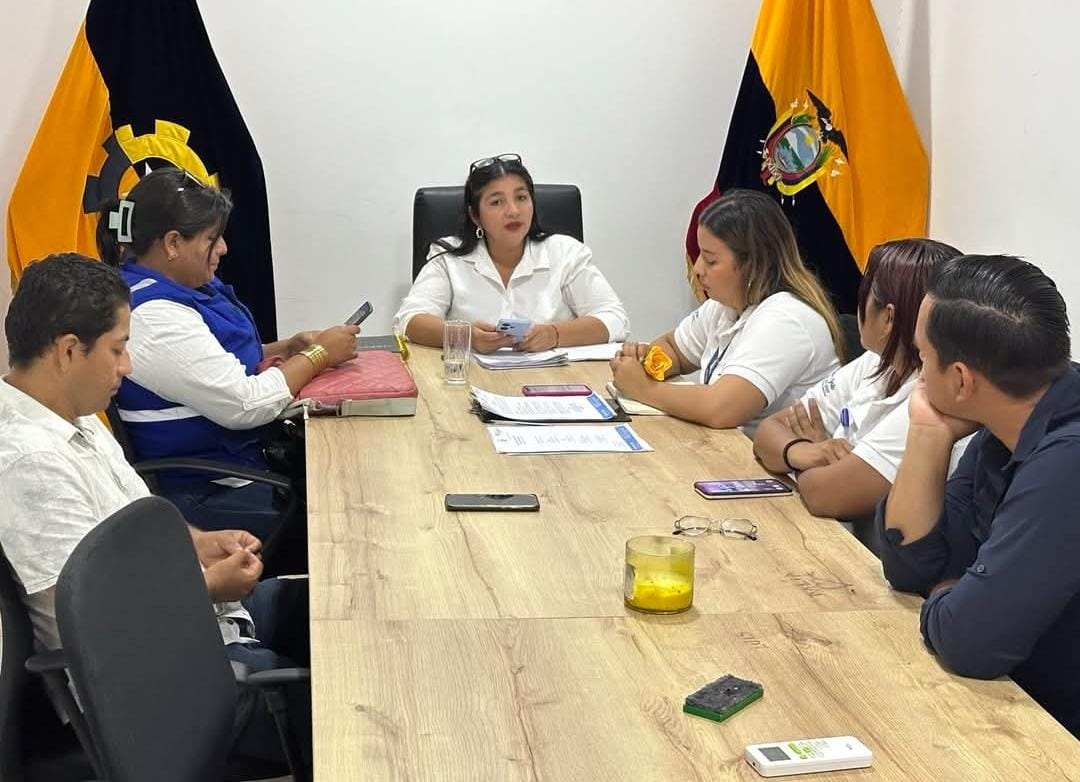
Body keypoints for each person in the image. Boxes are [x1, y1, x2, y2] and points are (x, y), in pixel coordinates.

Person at [0, 254, 311, 767]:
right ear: (69, 351)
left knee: (339, 609)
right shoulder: (28, 463)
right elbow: (90, 625)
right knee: (358, 706)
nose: (127, 366)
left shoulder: (71, 413)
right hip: (161, 695)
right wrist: (207, 586)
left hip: (193, 622)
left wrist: (200, 543)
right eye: (117, 349)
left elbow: (134, 506)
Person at [96, 167, 358, 539]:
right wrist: (318, 355)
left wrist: (284, 349)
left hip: (242, 467)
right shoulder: (153, 317)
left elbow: (206, 363)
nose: (223, 249)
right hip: (209, 491)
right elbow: (245, 405)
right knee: (347, 512)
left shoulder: (180, 286)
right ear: (173, 243)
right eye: (212, 238)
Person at [879, 254, 1080, 738]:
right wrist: (928, 433)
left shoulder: (1067, 461)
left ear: (961, 380)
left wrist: (951, 595)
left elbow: (970, 642)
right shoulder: (1010, 414)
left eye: (922, 357)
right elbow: (912, 566)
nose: (918, 374)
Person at [753, 238, 967, 521]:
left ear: (888, 317)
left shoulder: (932, 399)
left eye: (864, 292)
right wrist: (810, 452)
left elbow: (825, 496)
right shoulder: (876, 361)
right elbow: (768, 431)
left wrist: (818, 463)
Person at [611, 189, 842, 435]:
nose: (697, 268)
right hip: (729, 449)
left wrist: (644, 389)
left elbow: (721, 410)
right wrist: (647, 362)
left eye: (710, 260)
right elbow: (675, 350)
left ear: (753, 265)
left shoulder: (787, 319)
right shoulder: (725, 305)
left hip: (770, 458)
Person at [393, 153, 630, 353]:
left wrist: (554, 334)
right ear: (476, 216)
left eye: (521, 198)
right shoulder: (448, 258)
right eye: (497, 202)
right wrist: (467, 337)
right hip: (472, 382)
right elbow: (409, 320)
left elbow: (615, 319)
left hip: (554, 383)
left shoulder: (565, 253)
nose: (513, 211)